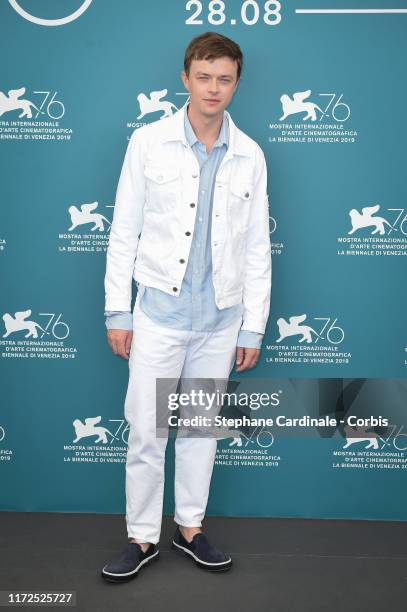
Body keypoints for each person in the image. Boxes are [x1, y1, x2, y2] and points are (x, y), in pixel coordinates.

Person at [101, 31, 271, 582]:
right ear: (185, 79)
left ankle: (190, 530)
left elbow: (255, 248)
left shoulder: (250, 155)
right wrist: (118, 312)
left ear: (237, 83)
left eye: (224, 79)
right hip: (158, 315)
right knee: (146, 431)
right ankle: (142, 537)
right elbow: (122, 232)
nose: (213, 88)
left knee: (200, 430)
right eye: (204, 76)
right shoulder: (148, 143)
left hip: (221, 321)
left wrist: (254, 327)